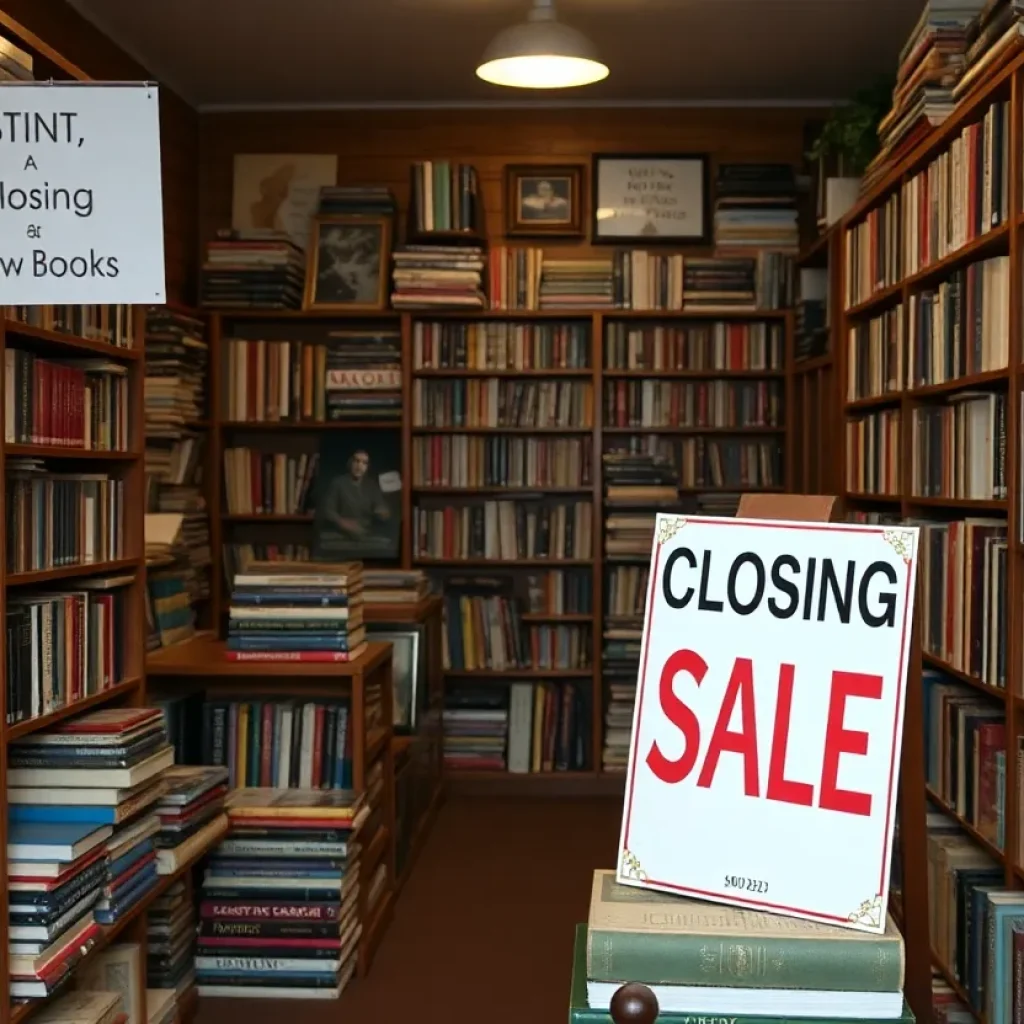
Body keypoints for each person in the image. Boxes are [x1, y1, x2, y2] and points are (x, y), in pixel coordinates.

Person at [314, 449, 392, 555]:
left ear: (367, 467)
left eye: (364, 463)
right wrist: (342, 522)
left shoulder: (371, 486)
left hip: (364, 533)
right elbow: (328, 510)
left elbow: (381, 508)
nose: (359, 466)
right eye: (356, 461)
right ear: (350, 463)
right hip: (341, 534)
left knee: (385, 545)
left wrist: (383, 512)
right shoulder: (338, 483)